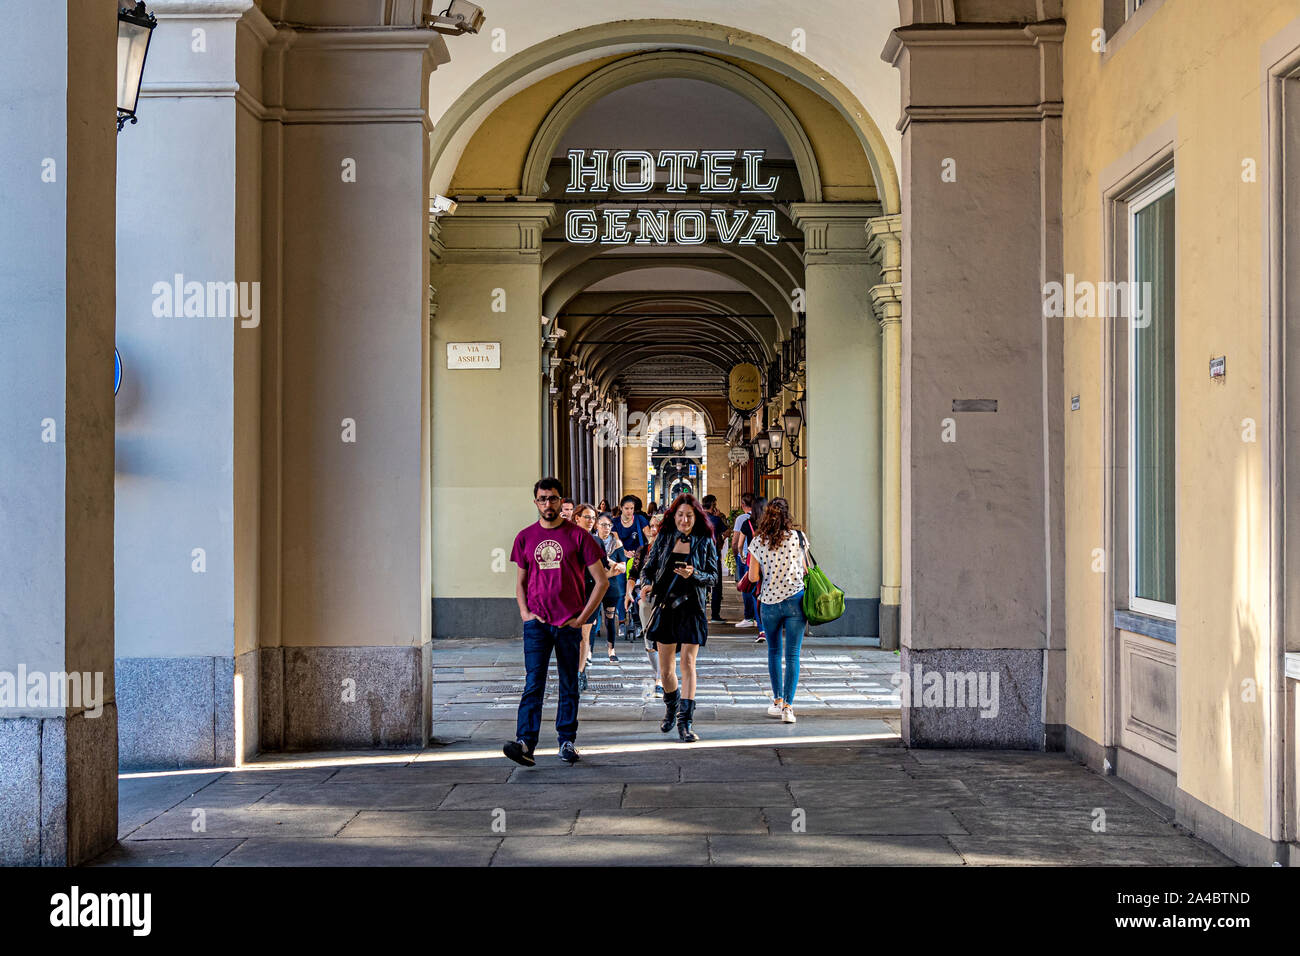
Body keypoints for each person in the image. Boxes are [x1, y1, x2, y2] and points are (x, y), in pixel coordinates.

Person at [505, 478, 608, 767]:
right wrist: (525, 613)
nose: (547, 504)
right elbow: (521, 583)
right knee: (533, 683)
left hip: (568, 624)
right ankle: (525, 742)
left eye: (553, 499)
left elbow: (600, 582)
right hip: (537, 624)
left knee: (568, 682)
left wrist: (582, 619)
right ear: (535, 502)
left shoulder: (579, 537)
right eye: (542, 499)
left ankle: (566, 741)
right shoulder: (525, 537)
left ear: (562, 502)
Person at [639, 493, 719, 742]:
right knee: (665, 671)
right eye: (680, 515)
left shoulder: (704, 541)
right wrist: (647, 583)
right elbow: (648, 568)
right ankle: (671, 706)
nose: (684, 520)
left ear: (697, 517)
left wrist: (694, 574)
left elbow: (713, 577)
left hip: (692, 607)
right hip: (666, 607)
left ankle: (685, 722)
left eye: (689, 515)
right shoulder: (663, 537)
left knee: (689, 663)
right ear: (673, 516)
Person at [746, 498, 810, 724]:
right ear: (787, 516)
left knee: (774, 652)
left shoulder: (757, 542)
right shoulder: (798, 538)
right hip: (795, 600)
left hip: (769, 603)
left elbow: (753, 577)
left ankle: (777, 701)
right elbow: (805, 570)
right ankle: (789, 708)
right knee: (793, 655)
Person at [626, 513, 664, 696]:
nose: (654, 530)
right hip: (646, 599)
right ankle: (659, 673)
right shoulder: (643, 550)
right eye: (652, 526)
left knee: (664, 640)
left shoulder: (670, 549)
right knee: (649, 639)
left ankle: (661, 678)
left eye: (658, 526)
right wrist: (630, 593)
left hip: (665, 599)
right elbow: (633, 574)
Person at [570, 502, 606, 689]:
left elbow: (604, 566)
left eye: (593, 518)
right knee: (569, 635)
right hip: (570, 593)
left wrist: (618, 567)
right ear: (577, 518)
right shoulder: (568, 538)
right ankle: (571, 670)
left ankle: (580, 672)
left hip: (590, 592)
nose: (591, 521)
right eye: (587, 517)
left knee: (584, 634)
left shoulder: (597, 541)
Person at [612, 495, 650, 640]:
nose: (629, 511)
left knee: (637, 589)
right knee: (621, 590)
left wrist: (642, 551)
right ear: (621, 508)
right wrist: (624, 552)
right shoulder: (615, 522)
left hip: (638, 561)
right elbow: (616, 540)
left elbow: (649, 536)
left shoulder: (640, 520)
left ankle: (638, 622)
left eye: (632, 509)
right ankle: (622, 621)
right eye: (626, 508)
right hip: (621, 560)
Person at [593, 513, 628, 663]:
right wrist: (613, 568)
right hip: (593, 586)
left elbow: (623, 567)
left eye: (609, 525)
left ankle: (611, 650)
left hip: (610, 586)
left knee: (609, 619)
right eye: (603, 525)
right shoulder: (592, 541)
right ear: (597, 526)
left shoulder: (617, 543)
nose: (606, 528)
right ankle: (588, 651)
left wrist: (608, 562)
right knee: (592, 620)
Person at [701, 494, 729, 623]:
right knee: (716, 586)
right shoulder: (716, 520)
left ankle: (700, 613)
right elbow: (727, 531)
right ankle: (715, 615)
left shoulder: (697, 518)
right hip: (713, 555)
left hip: (699, 556)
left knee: (700, 583)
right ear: (713, 505)